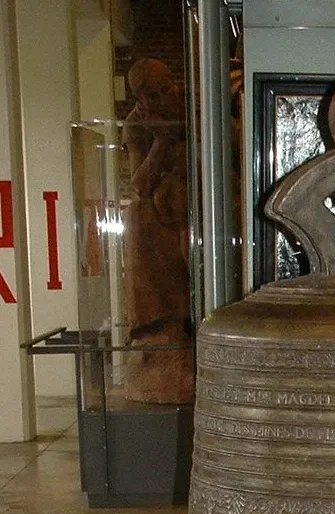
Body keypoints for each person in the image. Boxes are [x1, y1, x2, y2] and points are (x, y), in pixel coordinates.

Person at [122, 58, 193, 404]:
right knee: (138, 218)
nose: (161, 97)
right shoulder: (137, 123)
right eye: (150, 94)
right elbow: (139, 184)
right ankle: (161, 329)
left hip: (197, 201)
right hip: (164, 205)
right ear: (139, 99)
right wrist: (161, 143)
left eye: (165, 88)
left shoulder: (194, 105)